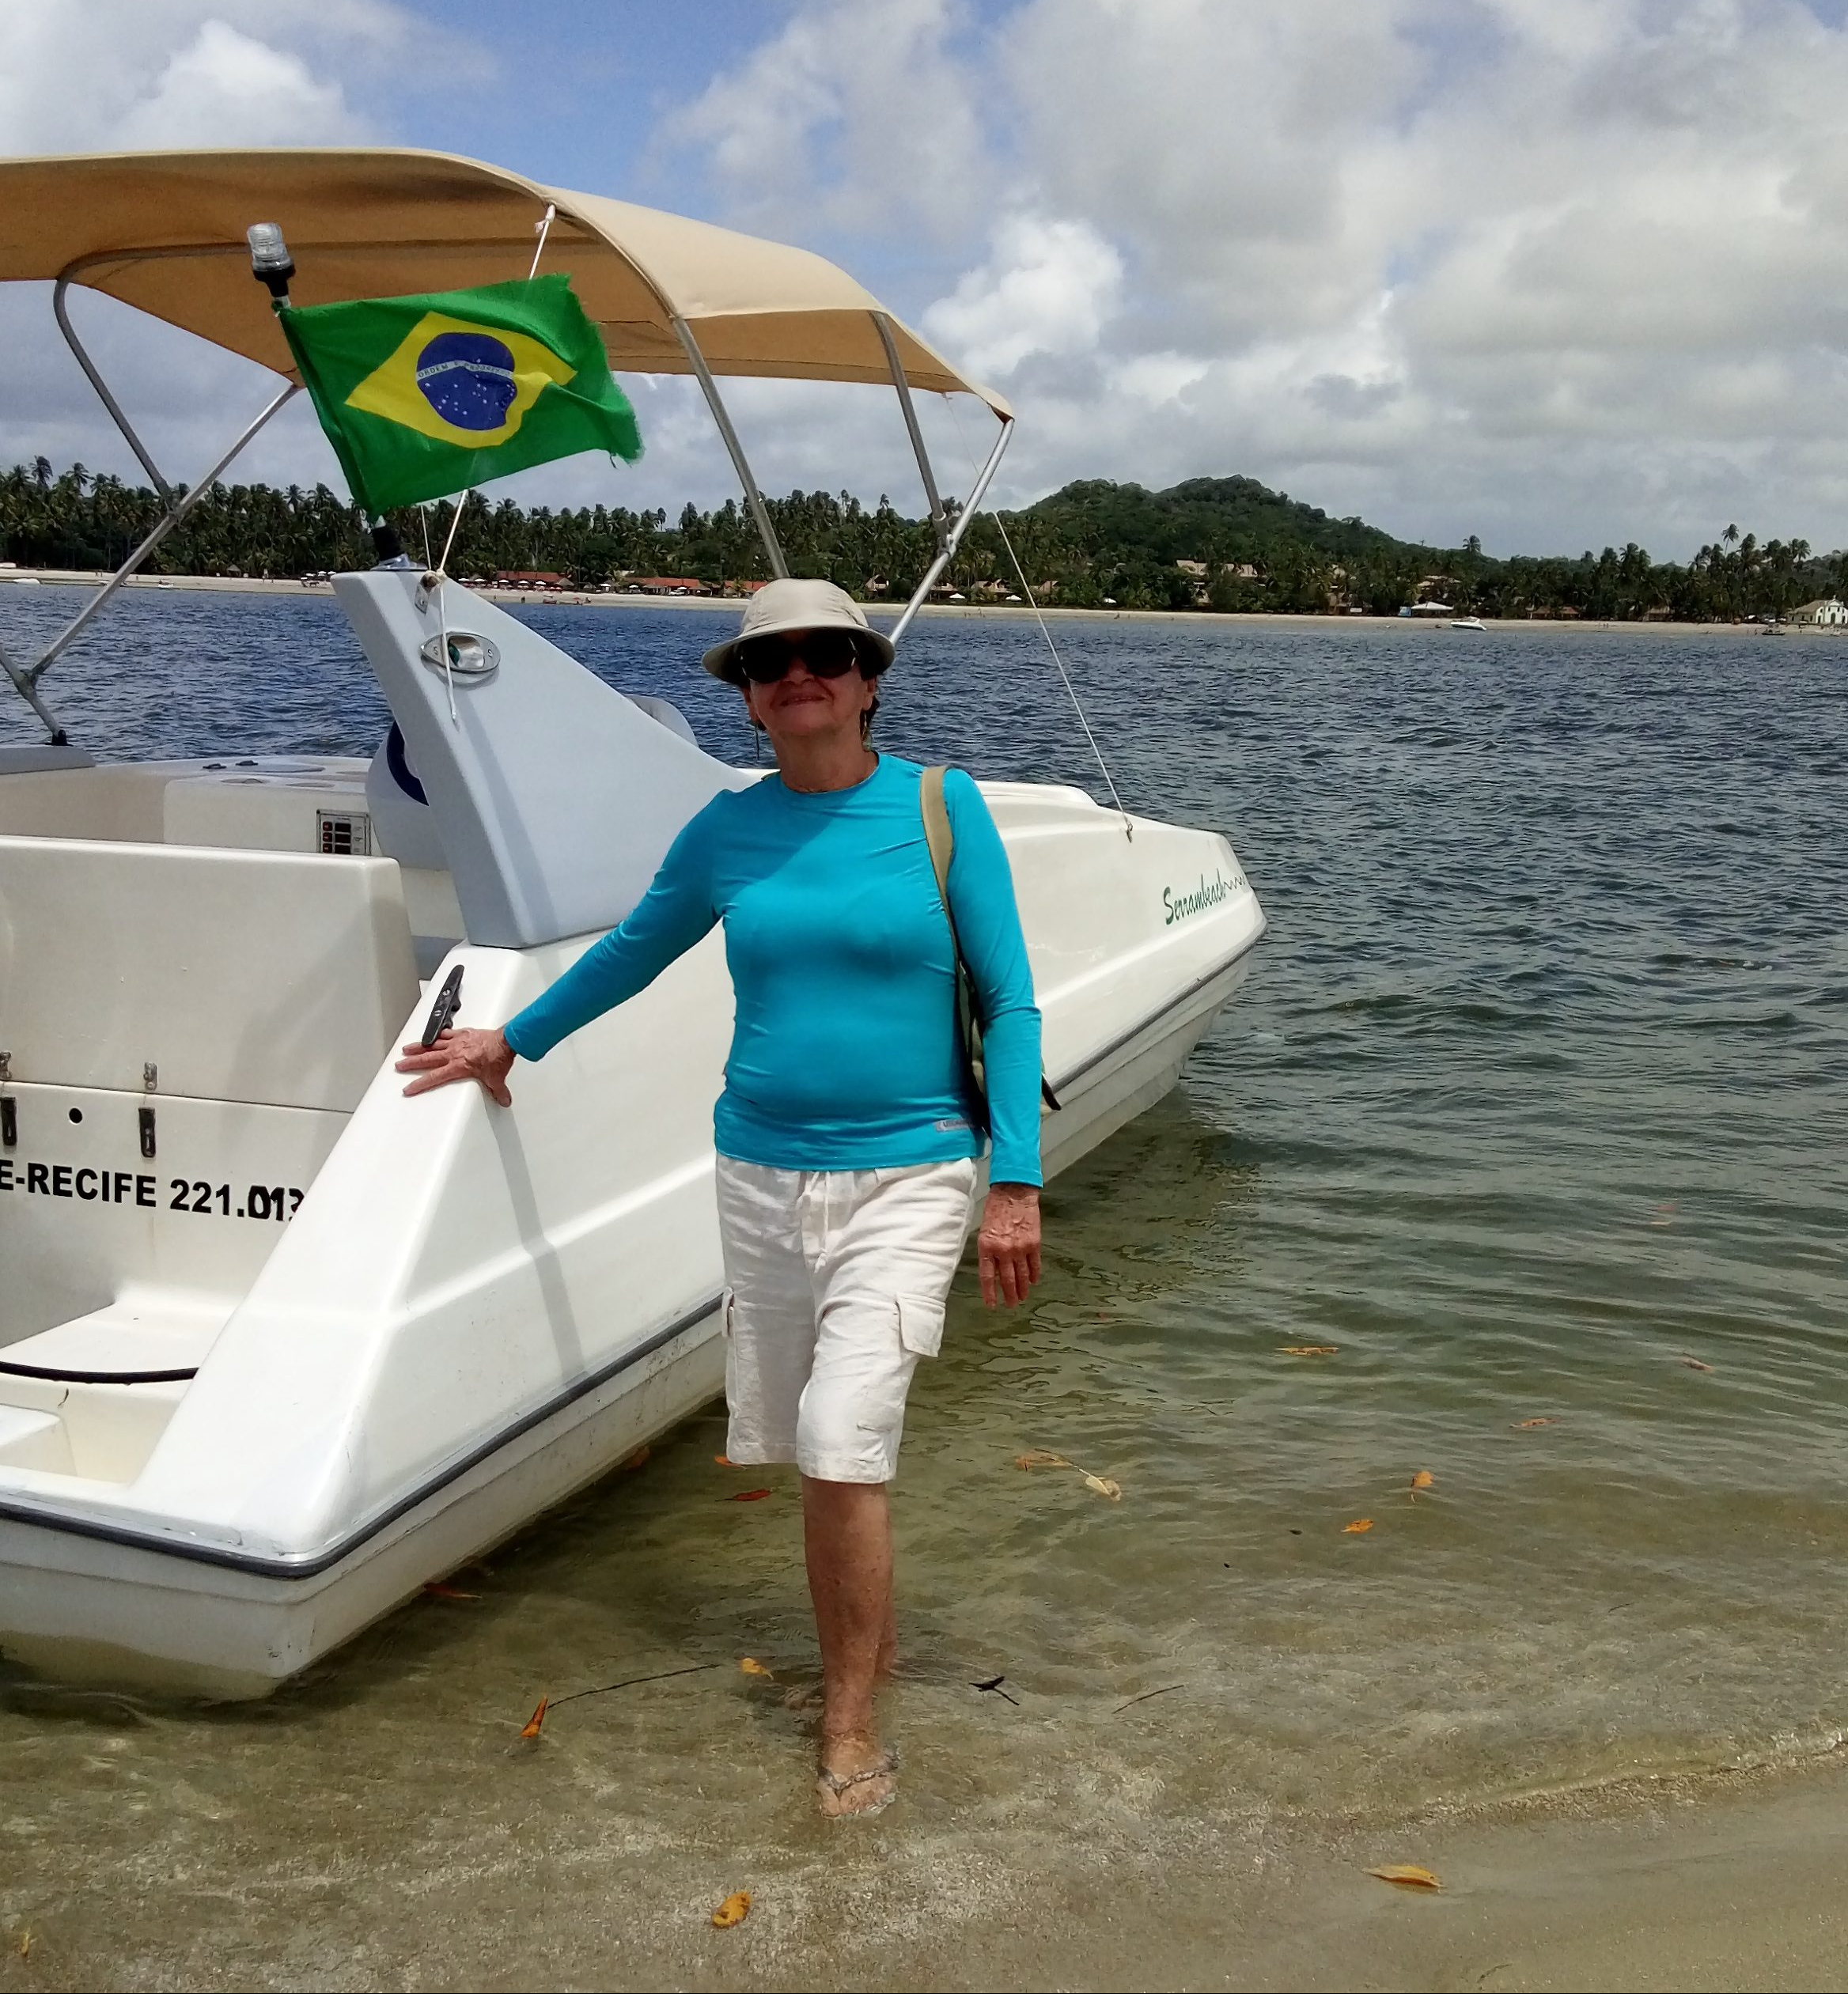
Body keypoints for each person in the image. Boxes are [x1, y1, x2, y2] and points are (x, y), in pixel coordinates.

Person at [395, 577, 1043, 1819]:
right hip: (756, 1168)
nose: (796, 674)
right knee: (817, 1453)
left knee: (844, 1435)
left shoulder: (938, 807)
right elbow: (638, 945)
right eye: (768, 663)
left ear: (864, 678)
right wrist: (508, 1040)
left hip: (912, 1167)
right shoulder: (725, 831)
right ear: (748, 702)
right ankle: (877, 1652)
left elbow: (1010, 999)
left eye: (822, 655)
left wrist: (1013, 1180)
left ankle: (849, 1724)